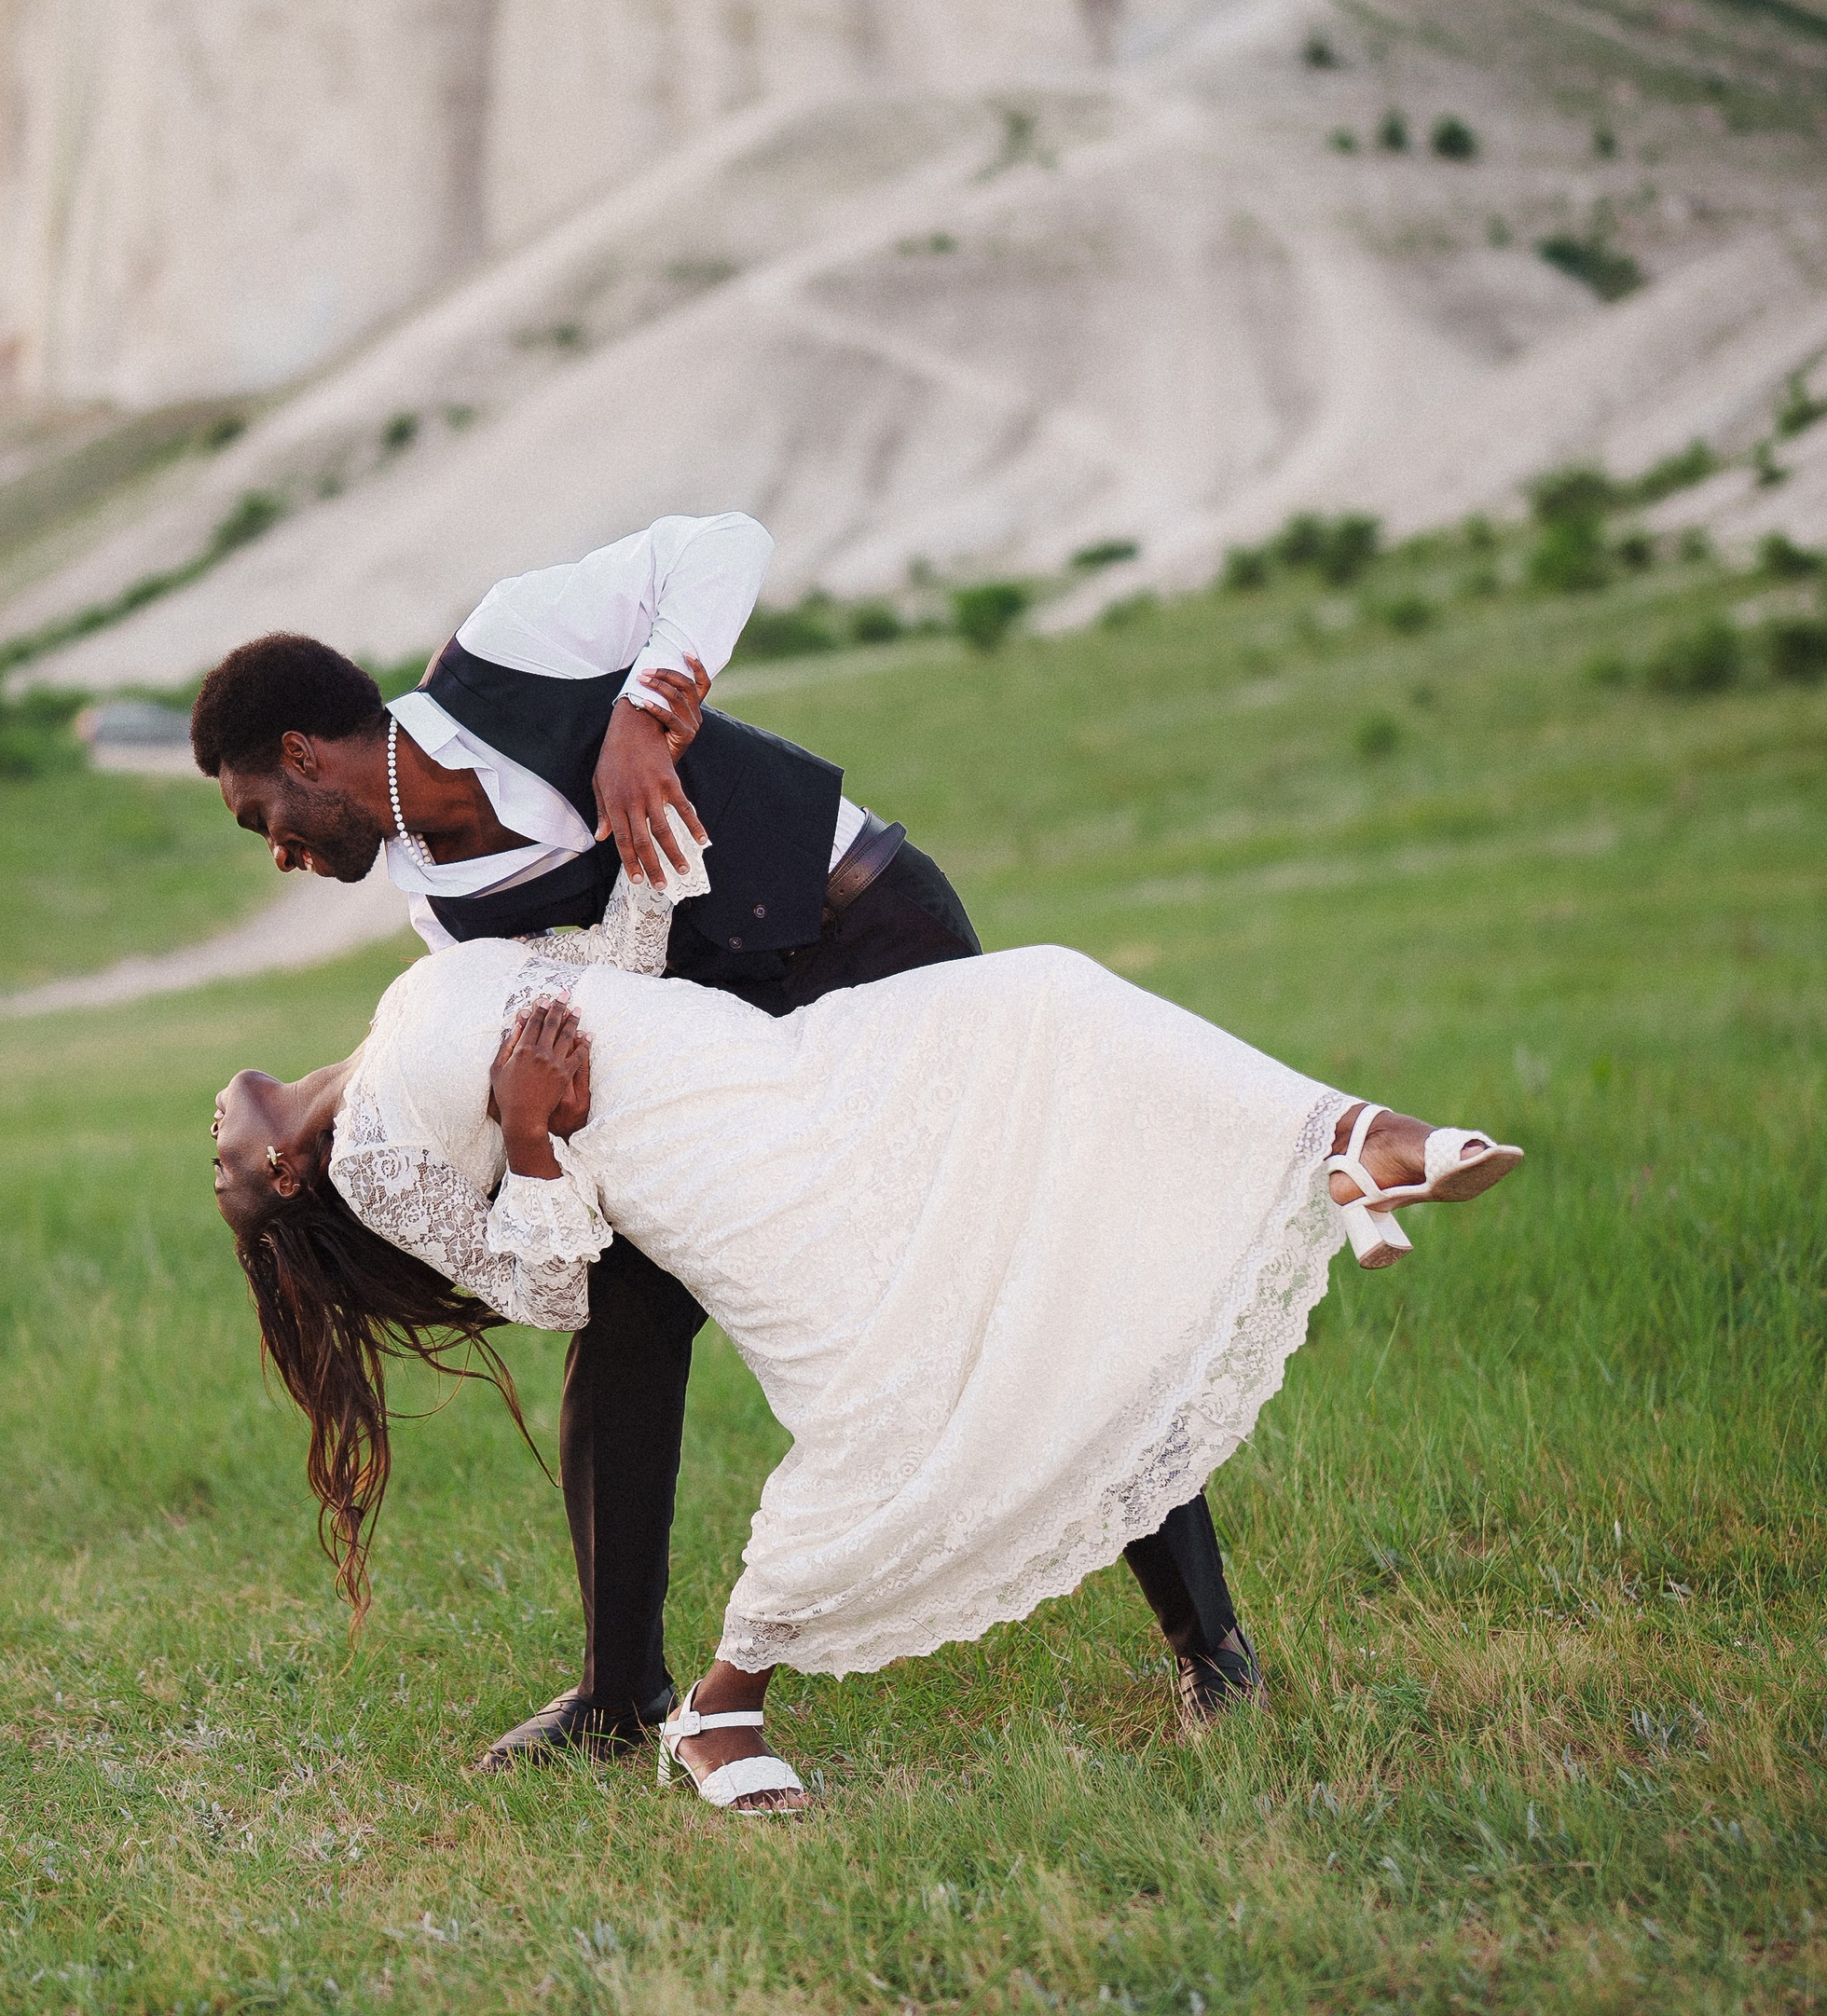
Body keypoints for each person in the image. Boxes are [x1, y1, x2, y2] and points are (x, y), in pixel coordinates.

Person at [191, 516, 1275, 1762]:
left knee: (1006, 1272)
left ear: (303, 752)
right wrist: (541, 1116)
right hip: (722, 1054)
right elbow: (585, 981)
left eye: (263, 816)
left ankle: (1211, 1648)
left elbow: (724, 543)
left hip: (866, 937)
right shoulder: (435, 902)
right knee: (622, 1319)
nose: (279, 850)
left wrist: (645, 710)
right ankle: (617, 1697)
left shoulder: (505, 650)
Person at [212, 836, 1521, 1811]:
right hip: (713, 1165)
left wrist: (655, 839)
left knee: (1050, 996)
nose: (210, 1133)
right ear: (279, 1180)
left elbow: (613, 964)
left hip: (789, 1060)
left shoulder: (414, 986)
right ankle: (720, 1708)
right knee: (883, 1394)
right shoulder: (371, 1165)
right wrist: (532, 1137)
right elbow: (552, 1290)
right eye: (214, 1166)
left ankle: (1350, 1140)